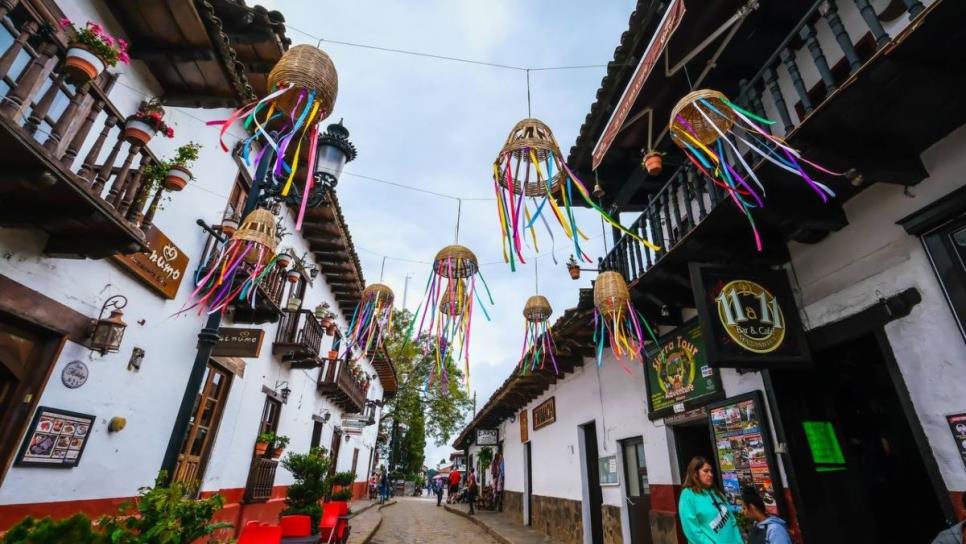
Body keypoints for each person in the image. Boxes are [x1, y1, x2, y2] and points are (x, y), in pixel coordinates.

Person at [678, 456, 743, 544]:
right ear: (695, 473)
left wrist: (739, 541)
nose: (710, 474)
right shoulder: (688, 495)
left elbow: (732, 521)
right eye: (706, 471)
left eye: (711, 471)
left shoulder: (717, 492)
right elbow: (692, 531)